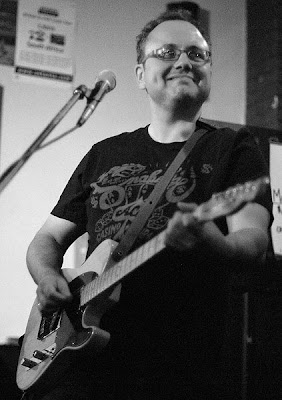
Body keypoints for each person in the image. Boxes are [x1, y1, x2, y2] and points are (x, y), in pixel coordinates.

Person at [22, 9, 272, 400]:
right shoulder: (103, 153)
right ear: (140, 75)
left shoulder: (234, 148)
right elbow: (48, 238)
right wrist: (46, 276)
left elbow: (254, 241)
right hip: (79, 359)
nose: (184, 61)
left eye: (197, 53)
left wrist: (212, 240)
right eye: (168, 52)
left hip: (179, 365)